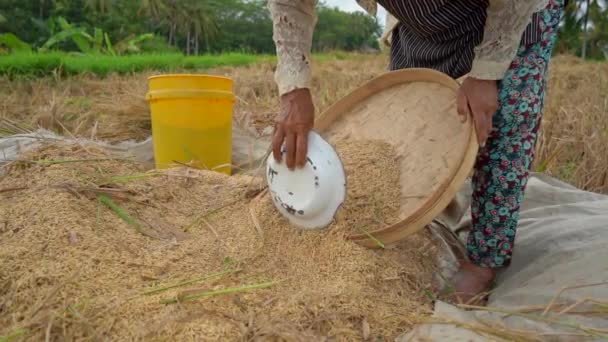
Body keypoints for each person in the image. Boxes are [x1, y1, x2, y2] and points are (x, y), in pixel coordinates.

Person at [267, 0, 565, 303]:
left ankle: (482, 262)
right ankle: (411, 222)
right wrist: (294, 89)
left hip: (510, 13)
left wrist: (487, 74)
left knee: (499, 121)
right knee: (408, 124)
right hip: (422, 19)